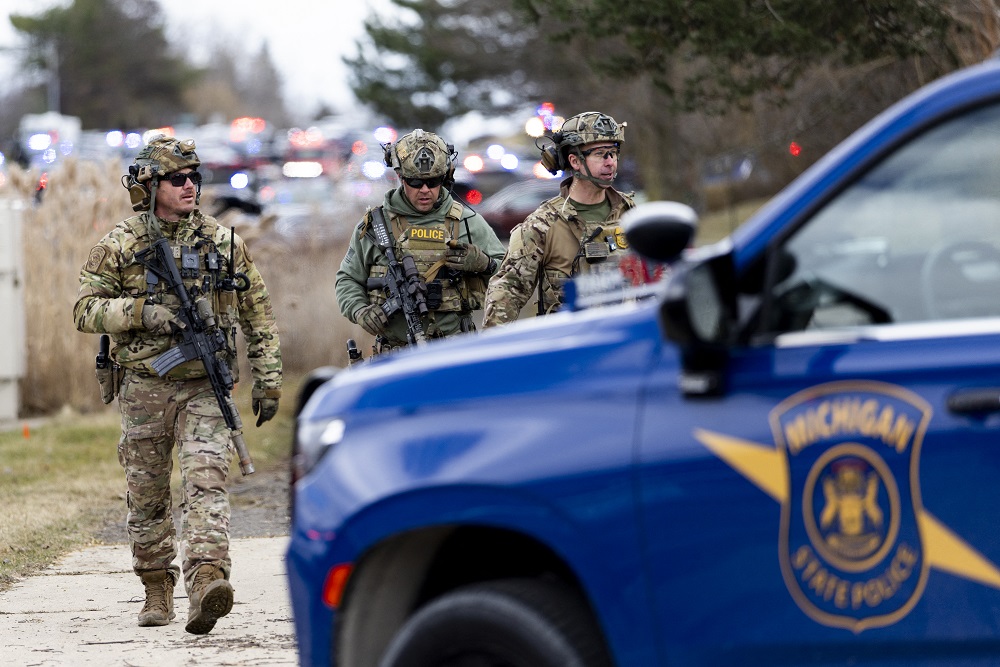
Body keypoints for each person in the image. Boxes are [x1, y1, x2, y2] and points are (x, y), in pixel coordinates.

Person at [72, 135, 282, 635]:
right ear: (150, 185)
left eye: (194, 177)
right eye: (176, 179)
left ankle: (207, 579)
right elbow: (84, 309)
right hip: (144, 386)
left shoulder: (223, 243)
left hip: (205, 386)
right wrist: (139, 312)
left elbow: (258, 315)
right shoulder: (121, 244)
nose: (189, 186)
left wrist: (268, 378)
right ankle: (156, 586)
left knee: (206, 481)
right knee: (147, 493)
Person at [336, 129, 506, 351]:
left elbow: (511, 276)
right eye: (415, 182)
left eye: (433, 181)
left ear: (444, 177)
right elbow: (347, 279)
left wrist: (486, 264)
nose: (425, 190)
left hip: (455, 351)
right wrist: (359, 310)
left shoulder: (468, 222)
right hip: (396, 353)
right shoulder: (375, 226)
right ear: (400, 177)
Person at [482, 111, 636, 326]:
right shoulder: (542, 225)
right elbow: (507, 293)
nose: (610, 162)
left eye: (613, 153)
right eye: (601, 154)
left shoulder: (632, 214)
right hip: (571, 341)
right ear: (575, 161)